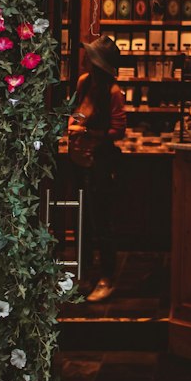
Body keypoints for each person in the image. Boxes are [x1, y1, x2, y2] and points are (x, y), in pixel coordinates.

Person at [69, 36, 126, 303]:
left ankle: (107, 277)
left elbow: (118, 130)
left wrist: (88, 130)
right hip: (79, 158)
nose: (85, 59)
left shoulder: (113, 92)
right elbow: (78, 110)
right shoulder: (84, 82)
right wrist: (75, 122)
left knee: (101, 222)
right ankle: (84, 276)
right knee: (82, 221)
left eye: (90, 56)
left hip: (101, 161)